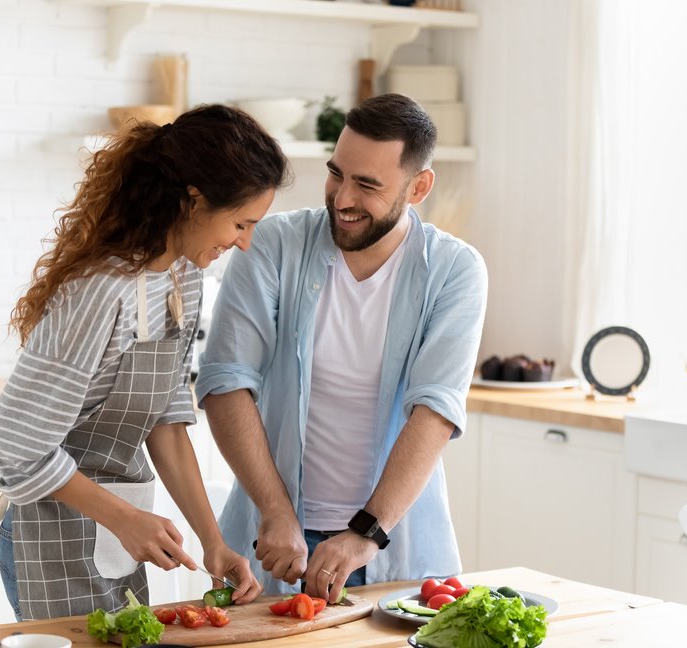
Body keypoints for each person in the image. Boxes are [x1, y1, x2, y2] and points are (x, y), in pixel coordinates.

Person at [0, 104, 289, 620]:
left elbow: (166, 421)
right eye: (240, 223)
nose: (244, 242)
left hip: (115, 541)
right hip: (50, 538)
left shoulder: (182, 279)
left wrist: (213, 542)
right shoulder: (100, 292)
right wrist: (124, 519)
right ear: (194, 200)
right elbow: (16, 444)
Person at [196, 93, 488, 599]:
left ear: (419, 187)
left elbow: (436, 410)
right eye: (337, 174)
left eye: (368, 185)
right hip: (272, 541)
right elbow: (226, 382)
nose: (343, 198)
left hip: (390, 544)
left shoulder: (455, 270)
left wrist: (366, 532)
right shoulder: (271, 245)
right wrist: (276, 511)